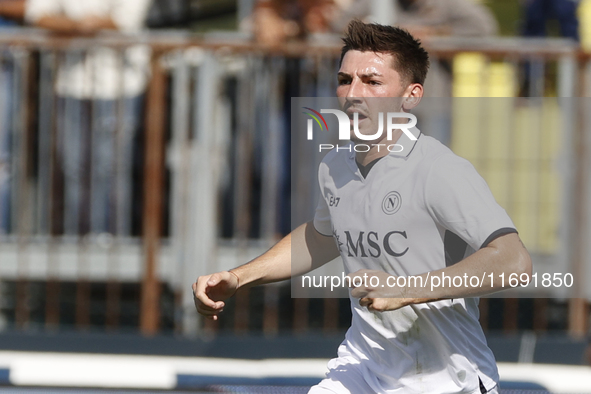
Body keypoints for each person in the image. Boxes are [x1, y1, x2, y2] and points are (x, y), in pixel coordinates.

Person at [193, 20, 532, 394]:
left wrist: (405, 289)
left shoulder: (439, 169)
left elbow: (514, 261)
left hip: (445, 380)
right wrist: (240, 277)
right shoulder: (334, 165)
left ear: (411, 95)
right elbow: (322, 237)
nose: (353, 93)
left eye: (372, 82)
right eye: (344, 79)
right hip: (364, 367)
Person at [24, 0, 152, 236]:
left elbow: (126, 21)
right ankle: (81, 244)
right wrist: (81, 25)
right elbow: (36, 13)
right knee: (73, 168)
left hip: (120, 87)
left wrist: (71, 25)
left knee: (112, 169)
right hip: (70, 85)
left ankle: (111, 244)